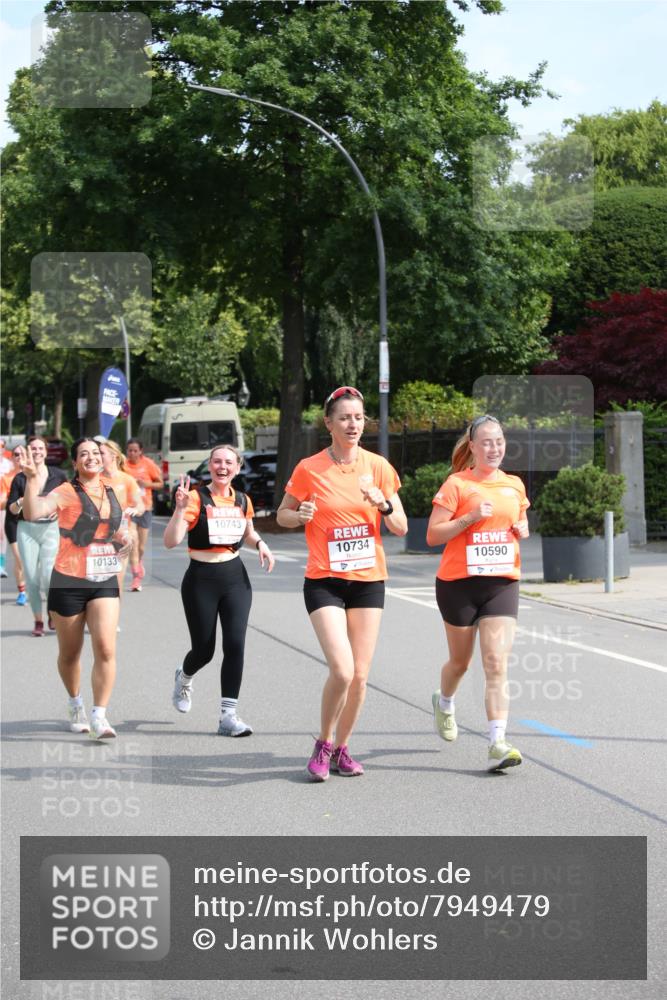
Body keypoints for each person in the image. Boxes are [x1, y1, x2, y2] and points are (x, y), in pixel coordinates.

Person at [277, 386, 407, 781]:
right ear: (329, 423)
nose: (353, 424)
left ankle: (342, 748)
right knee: (342, 669)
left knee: (362, 674)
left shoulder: (379, 467)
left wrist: (381, 503)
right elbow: (282, 515)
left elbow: (400, 527)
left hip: (368, 580)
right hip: (324, 580)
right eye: (345, 418)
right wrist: (299, 516)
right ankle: (323, 741)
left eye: (358, 417)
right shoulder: (309, 468)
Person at [426, 414, 530, 772]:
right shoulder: (457, 484)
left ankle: (497, 742)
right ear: (472, 446)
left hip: (502, 582)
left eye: (499, 441)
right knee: (460, 663)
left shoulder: (514, 484)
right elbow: (433, 535)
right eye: (486, 442)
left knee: (496, 663)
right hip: (458, 585)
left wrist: (522, 527)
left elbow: (521, 519)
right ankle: (445, 701)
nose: (494, 448)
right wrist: (469, 518)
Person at [19, 437, 131, 739]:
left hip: (103, 579)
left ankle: (100, 715)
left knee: (106, 647)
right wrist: (31, 480)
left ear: (104, 458)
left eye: (96, 453)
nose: (92, 458)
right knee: (70, 654)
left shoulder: (114, 490)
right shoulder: (66, 491)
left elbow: (119, 531)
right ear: (76, 462)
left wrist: (125, 540)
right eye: (84, 454)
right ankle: (75, 702)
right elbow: (34, 512)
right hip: (68, 580)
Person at [163, 444, 275, 735]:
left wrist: (261, 545)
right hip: (201, 579)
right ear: (209, 466)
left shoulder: (242, 500)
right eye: (216, 462)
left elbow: (248, 532)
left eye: (228, 462)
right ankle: (184, 677)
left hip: (235, 577)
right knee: (204, 651)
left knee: (235, 644)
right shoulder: (195, 498)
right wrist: (178, 510)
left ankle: (228, 716)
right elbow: (171, 540)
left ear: (237, 468)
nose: (222, 467)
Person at [8, 437, 67, 635]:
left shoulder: (58, 475)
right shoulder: (20, 478)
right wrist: (23, 501)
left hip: (50, 528)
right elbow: (12, 510)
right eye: (33, 448)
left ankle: (51, 612)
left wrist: (58, 508)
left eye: (40, 448)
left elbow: (69, 499)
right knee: (32, 578)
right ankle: (38, 620)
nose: (37, 451)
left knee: (49, 576)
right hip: (27, 530)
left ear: (46, 451)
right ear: (28, 451)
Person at [99, 438, 143, 596]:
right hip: (98, 537)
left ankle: (112, 620)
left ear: (114, 456)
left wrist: (135, 509)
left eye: (101, 453)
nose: (97, 456)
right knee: (99, 582)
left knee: (116, 580)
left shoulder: (127, 479)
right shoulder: (94, 479)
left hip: (122, 536)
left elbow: (141, 505)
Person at [125, 438, 163, 592]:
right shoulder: (123, 465)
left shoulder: (148, 464)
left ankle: (139, 562)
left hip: (145, 508)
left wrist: (146, 484)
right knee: (132, 544)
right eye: (129, 450)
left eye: (135, 450)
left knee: (141, 546)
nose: (132, 453)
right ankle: (136, 577)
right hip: (129, 508)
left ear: (141, 451)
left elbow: (160, 483)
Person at [0, 445, 27, 602]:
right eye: (16, 454)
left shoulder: (35, 475)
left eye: (22, 454)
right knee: (20, 558)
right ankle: (22, 592)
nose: (19, 457)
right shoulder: (7, 477)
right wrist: (12, 501)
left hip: (32, 522)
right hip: (13, 521)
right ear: (13, 458)